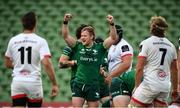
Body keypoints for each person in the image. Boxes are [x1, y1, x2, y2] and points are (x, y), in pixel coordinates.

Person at [61, 13, 118, 107]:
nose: (82, 37)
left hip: (93, 86)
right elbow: (65, 36)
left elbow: (113, 38)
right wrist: (65, 22)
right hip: (78, 84)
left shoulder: (100, 47)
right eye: (81, 35)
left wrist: (112, 24)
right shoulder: (77, 46)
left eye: (85, 36)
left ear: (92, 37)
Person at [4, 12, 59, 107]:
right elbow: (47, 63)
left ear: (22, 23)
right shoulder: (40, 41)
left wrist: (20, 66)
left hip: (18, 82)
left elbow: (7, 63)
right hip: (34, 82)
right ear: (35, 24)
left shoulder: (13, 40)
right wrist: (54, 84)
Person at [129, 16, 178, 107]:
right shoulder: (171, 46)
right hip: (165, 87)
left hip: (149, 85)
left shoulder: (146, 43)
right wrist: (175, 90)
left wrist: (137, 86)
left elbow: (139, 68)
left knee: (132, 106)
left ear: (152, 28)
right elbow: (175, 70)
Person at [103, 24, 134, 107]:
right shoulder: (112, 46)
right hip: (114, 81)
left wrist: (111, 76)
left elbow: (126, 64)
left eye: (113, 34)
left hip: (122, 81)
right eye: (110, 34)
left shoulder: (124, 45)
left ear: (119, 34)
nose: (111, 36)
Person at [59, 24, 88, 92]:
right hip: (78, 81)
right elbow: (60, 64)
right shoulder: (71, 46)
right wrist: (74, 62)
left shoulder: (93, 47)